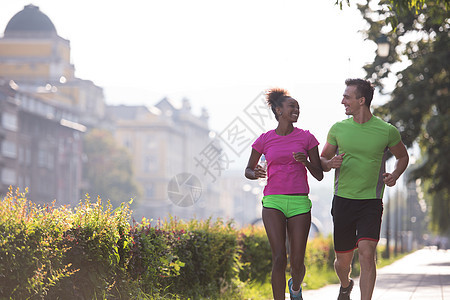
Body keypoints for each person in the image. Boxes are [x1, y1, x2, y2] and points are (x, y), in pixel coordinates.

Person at [320, 78, 409, 300]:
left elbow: (402, 156)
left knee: (368, 255)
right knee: (343, 262)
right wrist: (329, 164)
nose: (342, 101)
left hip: (371, 201)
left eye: (347, 97)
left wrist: (395, 175)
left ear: (362, 100)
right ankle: (345, 284)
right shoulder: (338, 129)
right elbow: (323, 158)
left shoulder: (386, 131)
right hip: (343, 200)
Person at [245, 88, 323, 300]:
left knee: (297, 261)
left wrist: (305, 161)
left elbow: (319, 175)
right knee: (279, 256)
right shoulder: (265, 139)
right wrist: (256, 172)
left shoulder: (307, 138)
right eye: (292, 106)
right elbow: (248, 170)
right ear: (278, 110)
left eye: (298, 107)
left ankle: (295, 289)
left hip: (299, 202)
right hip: (273, 201)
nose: (296, 109)